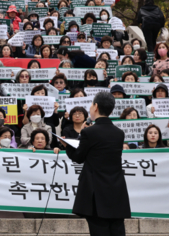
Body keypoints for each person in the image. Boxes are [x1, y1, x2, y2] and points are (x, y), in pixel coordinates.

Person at [61, 91, 130, 236]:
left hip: (95, 192)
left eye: (92, 104)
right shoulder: (119, 133)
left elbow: (78, 157)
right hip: (116, 190)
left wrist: (66, 146)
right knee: (117, 229)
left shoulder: (89, 133)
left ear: (96, 106)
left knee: (99, 230)